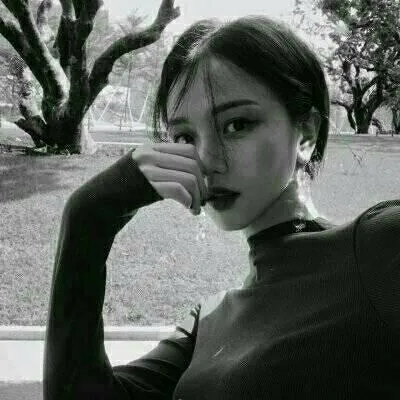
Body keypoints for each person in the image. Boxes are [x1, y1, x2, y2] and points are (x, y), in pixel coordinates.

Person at [43, 15, 400, 400]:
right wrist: (90, 213)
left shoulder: (376, 250)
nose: (207, 159)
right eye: (185, 137)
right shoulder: (207, 325)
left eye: (237, 124)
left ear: (306, 135)